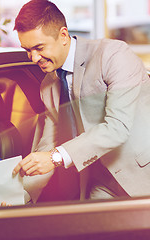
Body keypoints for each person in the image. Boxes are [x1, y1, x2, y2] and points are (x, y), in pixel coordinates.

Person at [12, 0, 150, 200]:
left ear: (63, 35)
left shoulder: (113, 55)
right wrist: (19, 196)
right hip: (100, 185)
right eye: (27, 50)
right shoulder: (48, 86)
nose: (33, 58)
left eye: (39, 47)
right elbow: (48, 146)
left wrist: (55, 157)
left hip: (143, 175)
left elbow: (118, 127)